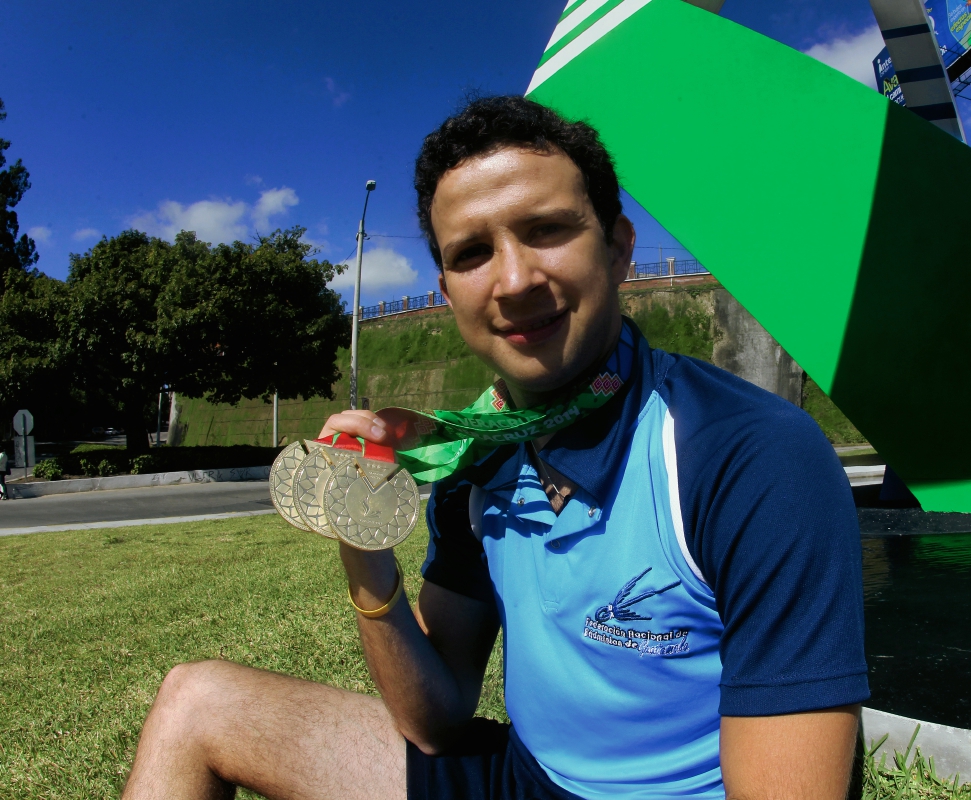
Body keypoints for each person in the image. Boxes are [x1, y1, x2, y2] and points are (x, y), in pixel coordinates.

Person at [122, 96, 867, 800]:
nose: (513, 280)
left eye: (546, 229)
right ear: (448, 293)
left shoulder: (751, 456)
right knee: (195, 701)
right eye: (473, 252)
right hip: (522, 777)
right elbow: (435, 718)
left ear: (618, 249)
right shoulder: (473, 456)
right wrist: (365, 554)